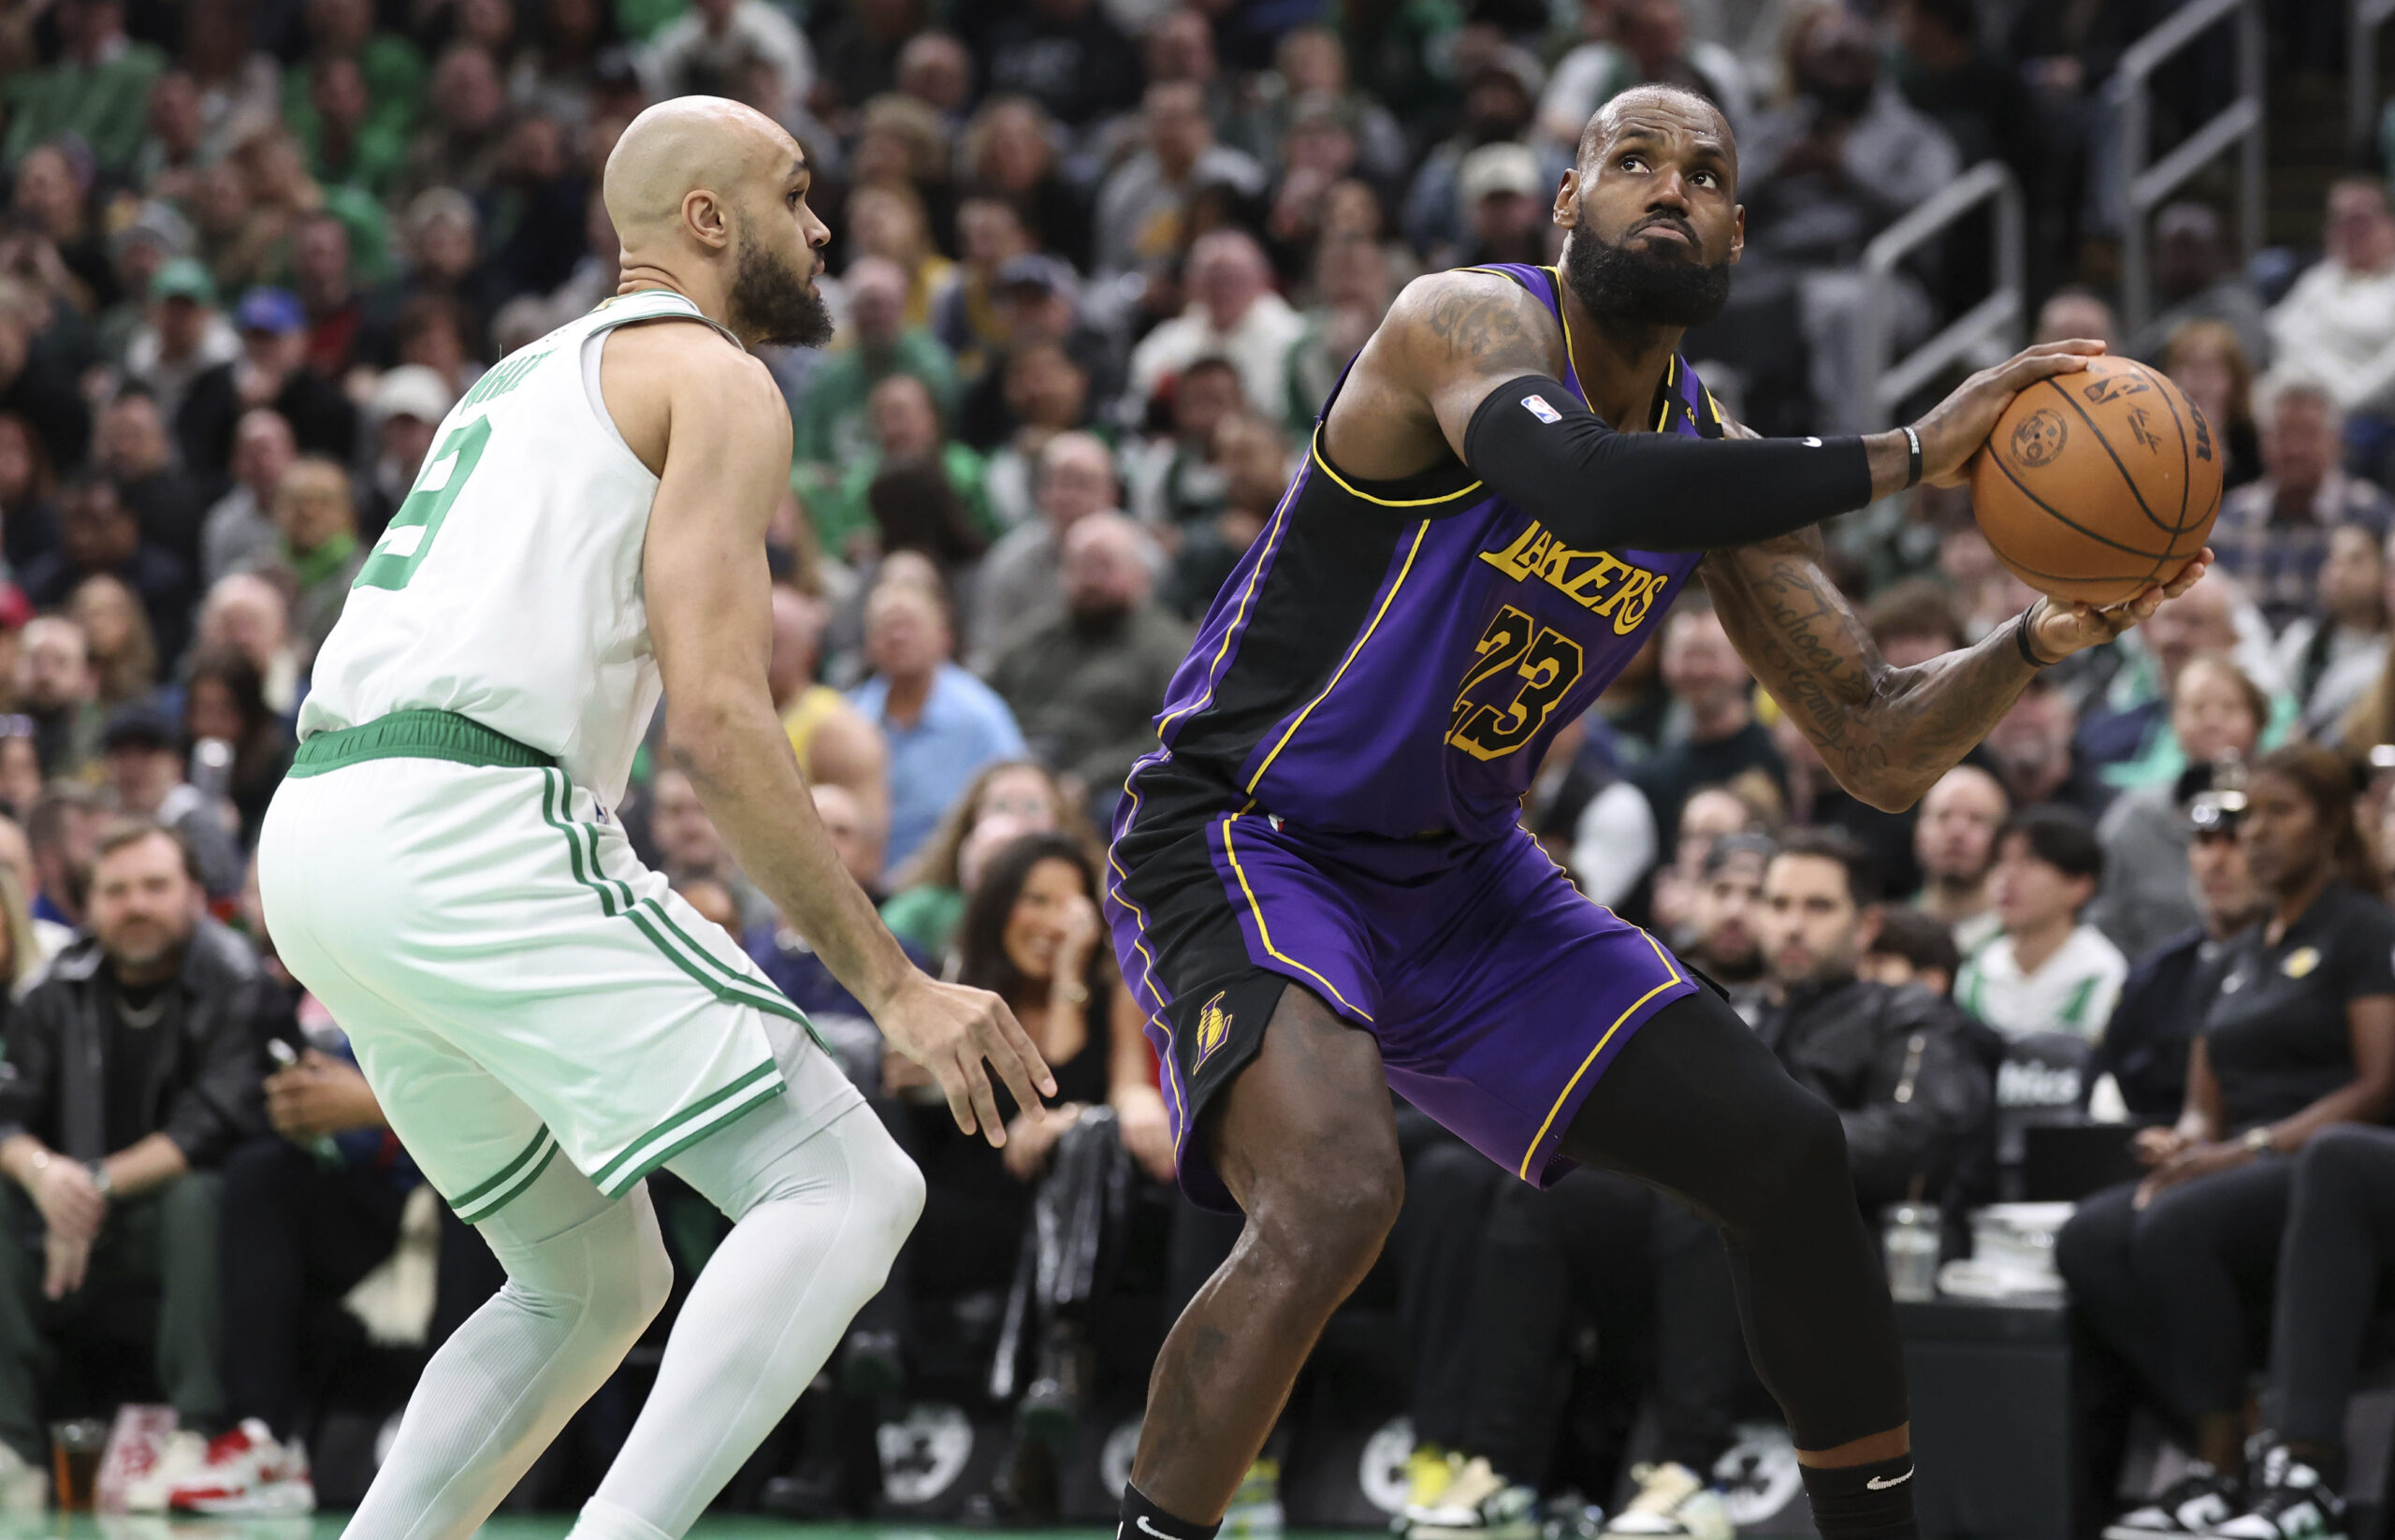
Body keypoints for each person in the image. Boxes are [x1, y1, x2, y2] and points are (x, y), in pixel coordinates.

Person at [1101, 84, 2209, 1540]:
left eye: (1704, 171)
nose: (1668, 186)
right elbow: (1578, 475)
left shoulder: (1718, 459)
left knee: (1791, 1156)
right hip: (1253, 832)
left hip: (1466, 883)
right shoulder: (1462, 323)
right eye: (1632, 161)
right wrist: (1909, 454)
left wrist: (2037, 640)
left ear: (1739, 231)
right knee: (1334, 1195)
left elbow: (1870, 743)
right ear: (1568, 204)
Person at [254, 96, 1053, 1540]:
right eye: (797, 194)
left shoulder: (518, 374)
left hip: (320, 833)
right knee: (848, 1180)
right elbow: (725, 714)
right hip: (471, 814)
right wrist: (896, 981)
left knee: (589, 1279)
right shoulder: (715, 374)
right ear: (707, 219)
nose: (819, 229)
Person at [2058, 745, 2395, 1527]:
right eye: (2247, 819)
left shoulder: (2359, 929)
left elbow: (2380, 1084)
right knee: (2093, 1235)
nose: (2256, 836)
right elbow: (2202, 1103)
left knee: (2178, 1223)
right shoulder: (2232, 957)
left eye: (2281, 815)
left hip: (2316, 1152)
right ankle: (2227, 1441)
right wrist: (2183, 1141)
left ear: (2332, 824)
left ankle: (2224, 1464)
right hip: (2238, 1157)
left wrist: (2248, 1148)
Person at [0, 821, 280, 1464]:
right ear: (89, 904)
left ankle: (198, 1433)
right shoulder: (54, 988)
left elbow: (213, 1121)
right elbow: (7, 1113)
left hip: (170, 1215)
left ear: (195, 895)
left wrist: (91, 1184)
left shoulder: (238, 981)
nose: (136, 906)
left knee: (199, 1195)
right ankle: (9, 1449)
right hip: (66, 1216)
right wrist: (45, 1176)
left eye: (155, 886)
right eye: (116, 890)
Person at [988, 513, 1193, 818]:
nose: (1091, 579)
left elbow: (1172, 733)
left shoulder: (1167, 648)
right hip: (1021, 770)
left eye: (1103, 566)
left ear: (1139, 573)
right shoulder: (1036, 640)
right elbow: (983, 701)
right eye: (1080, 566)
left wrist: (1089, 779)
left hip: (1108, 785)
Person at [2093, 790, 2270, 1125]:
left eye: (2235, 841)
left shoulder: (2299, 960)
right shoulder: (2154, 977)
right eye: (2205, 841)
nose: (2217, 862)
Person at [2089, 654, 2268, 962]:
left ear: (2259, 721)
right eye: (2197, 708)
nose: (2213, 720)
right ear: (2173, 723)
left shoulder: (2279, 812)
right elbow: (2104, 917)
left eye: (2230, 707)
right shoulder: (2135, 818)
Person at [849, 577, 1029, 871]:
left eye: (909, 626)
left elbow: (1017, 794)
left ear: (944, 637)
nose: (897, 637)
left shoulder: (980, 716)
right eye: (885, 627)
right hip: (863, 878)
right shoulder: (849, 719)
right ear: (868, 644)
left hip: (952, 879)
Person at [2212, 370, 2392, 631]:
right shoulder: (2228, 519)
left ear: (2336, 440)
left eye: (2308, 433)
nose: (2294, 449)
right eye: (2283, 433)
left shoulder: (2372, 516)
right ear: (2262, 440)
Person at [1955, 806, 2126, 1041]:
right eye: (2001, 861)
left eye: (2030, 862)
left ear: (2080, 885)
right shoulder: (1975, 967)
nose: (2008, 876)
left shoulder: (2104, 977)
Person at [1911, 766, 2007, 955]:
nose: (1957, 831)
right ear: (1919, 833)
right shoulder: (1896, 929)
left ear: (2003, 839)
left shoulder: (2021, 934)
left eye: (1977, 819)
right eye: (1943, 816)